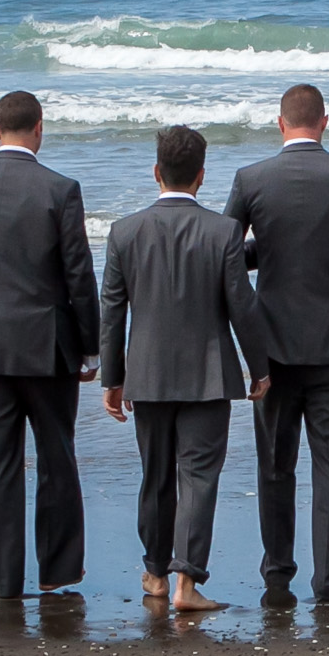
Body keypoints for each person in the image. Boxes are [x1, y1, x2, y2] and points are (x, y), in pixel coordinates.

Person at [0, 90, 102, 600]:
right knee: (56, 458)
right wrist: (92, 347)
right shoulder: (60, 189)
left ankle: (5, 581)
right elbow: (79, 274)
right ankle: (56, 570)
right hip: (47, 348)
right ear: (39, 128)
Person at [99, 125, 271, 612]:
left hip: (147, 374)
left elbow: (112, 310)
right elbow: (243, 305)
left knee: (154, 475)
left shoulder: (124, 231)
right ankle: (186, 584)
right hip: (208, 374)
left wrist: (114, 379)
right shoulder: (222, 231)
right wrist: (259, 368)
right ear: (201, 175)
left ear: (156, 172)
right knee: (198, 476)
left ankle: (155, 573)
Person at [225, 83, 329, 606]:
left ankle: (277, 576)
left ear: (280, 123)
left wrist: (264, 250)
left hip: (272, 345)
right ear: (325, 122)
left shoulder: (252, 178)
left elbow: (224, 253)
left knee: (274, 463)